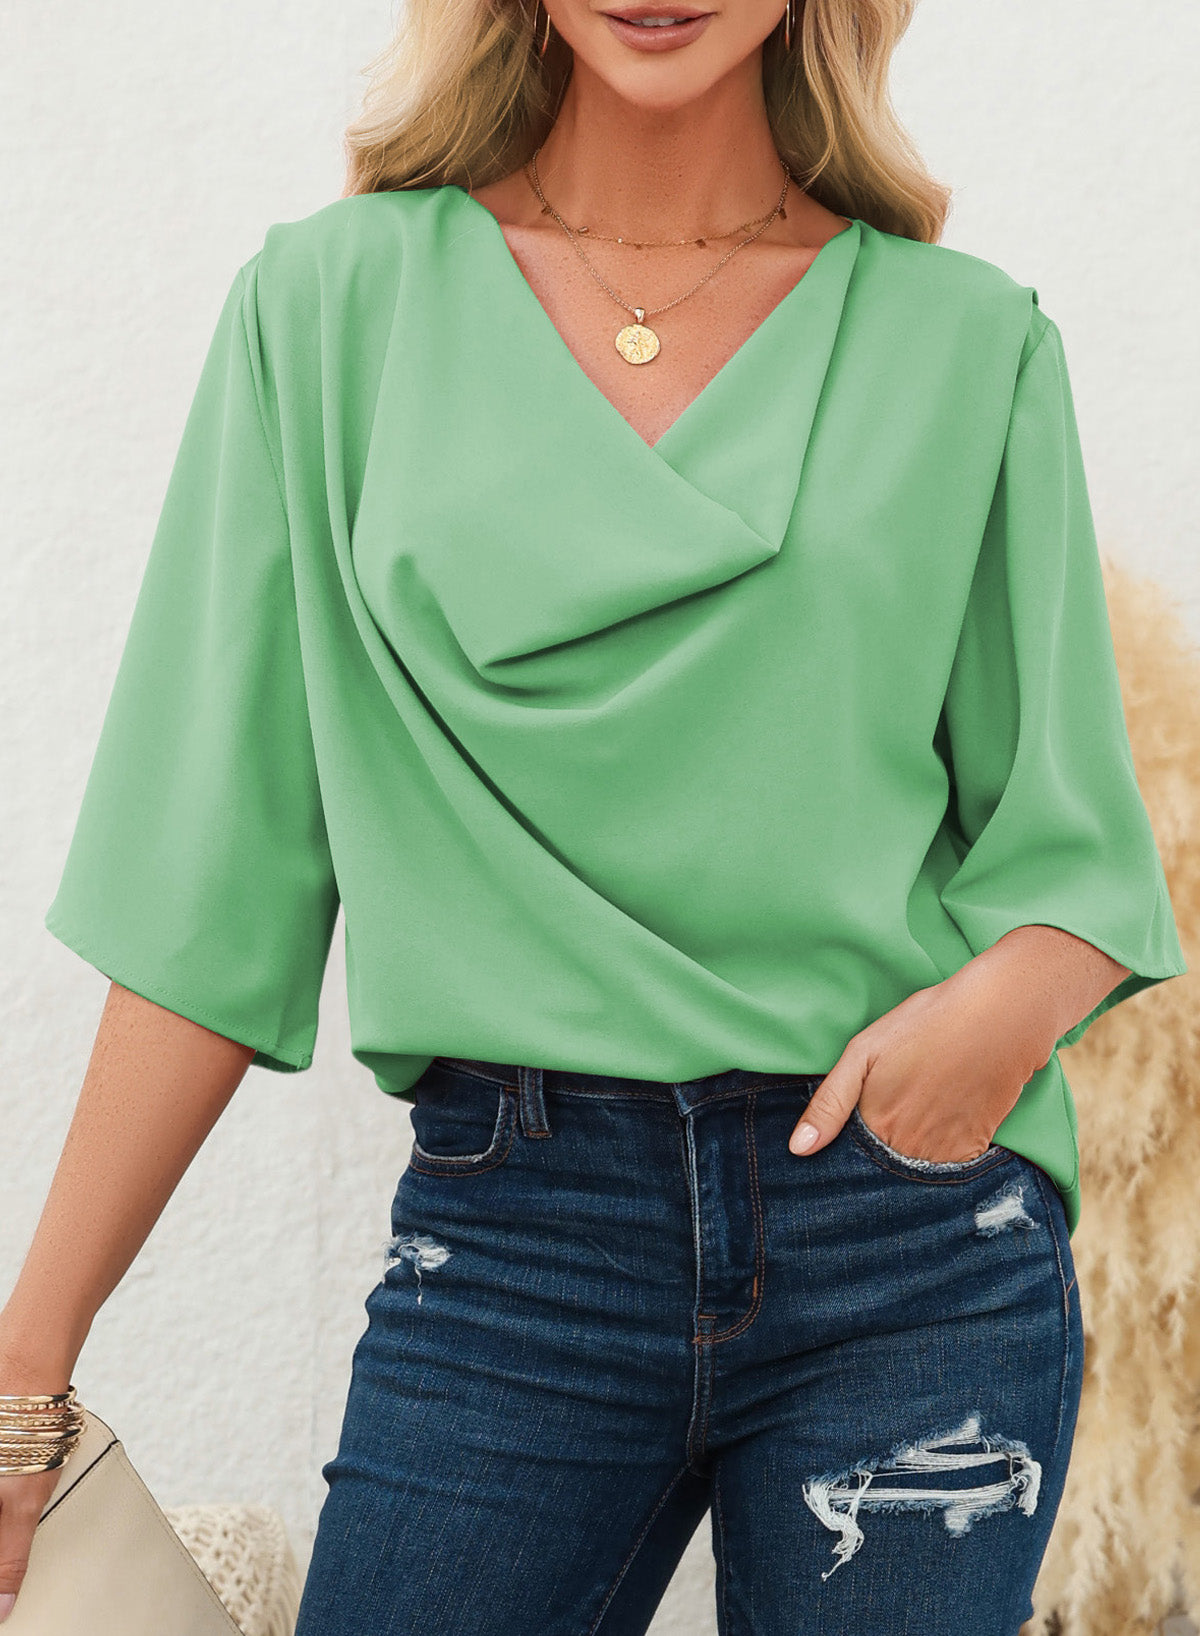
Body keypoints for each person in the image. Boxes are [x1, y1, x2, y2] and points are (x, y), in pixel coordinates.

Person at [0, 0, 1188, 1630]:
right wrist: (27, 1368)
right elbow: (209, 887)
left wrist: (981, 1036)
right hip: (518, 1244)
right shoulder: (331, 313)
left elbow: (1075, 853)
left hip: (903, 1241)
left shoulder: (970, 344)